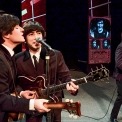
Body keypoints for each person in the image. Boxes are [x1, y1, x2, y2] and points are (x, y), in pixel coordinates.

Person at [15, 20, 79, 122]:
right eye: (31, 34)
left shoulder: (55, 54)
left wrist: (71, 84)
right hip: (32, 102)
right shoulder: (17, 59)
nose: (37, 37)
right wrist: (21, 93)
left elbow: (65, 75)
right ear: (25, 39)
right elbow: (14, 83)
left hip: (54, 100)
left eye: (39, 33)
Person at [0, 14, 50, 122]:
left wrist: (21, 93)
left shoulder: (8, 55)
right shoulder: (1, 59)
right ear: (6, 34)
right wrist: (32, 104)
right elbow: (1, 98)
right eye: (17, 27)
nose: (23, 30)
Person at [110, 33, 122, 122]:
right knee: (120, 97)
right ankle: (113, 117)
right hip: (120, 77)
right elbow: (119, 63)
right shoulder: (120, 47)